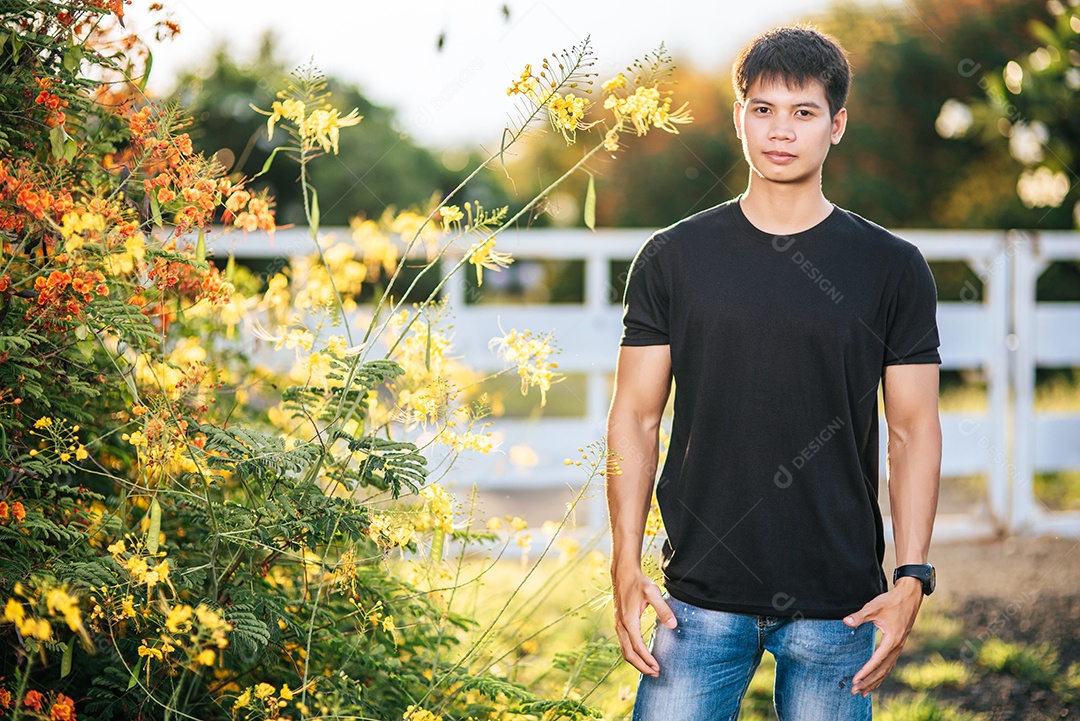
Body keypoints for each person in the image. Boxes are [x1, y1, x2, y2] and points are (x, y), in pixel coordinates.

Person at [606, 25, 942, 721]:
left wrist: (912, 573)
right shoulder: (674, 257)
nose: (780, 130)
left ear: (836, 125)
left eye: (803, 111)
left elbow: (912, 427)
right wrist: (623, 556)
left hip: (840, 605)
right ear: (739, 119)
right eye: (763, 109)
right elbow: (635, 415)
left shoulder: (892, 267)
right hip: (696, 598)